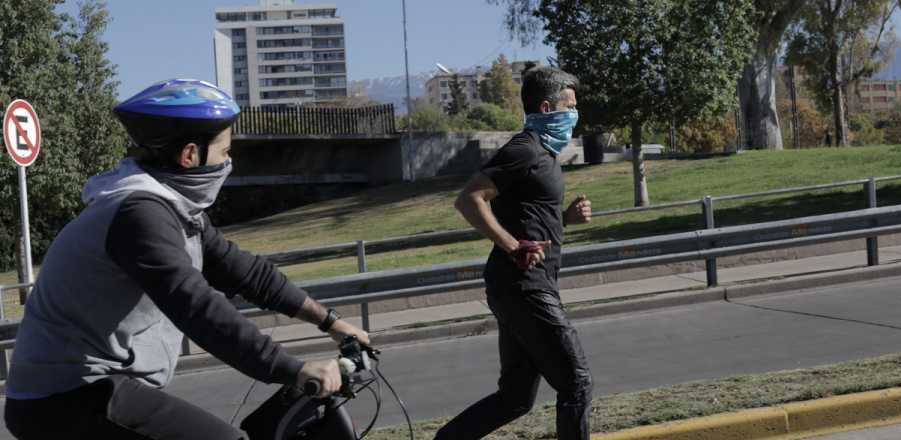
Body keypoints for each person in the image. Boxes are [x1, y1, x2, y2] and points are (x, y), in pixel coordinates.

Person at [4, 79, 368, 440]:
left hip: (96, 388)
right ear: (190, 155)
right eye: (225, 151)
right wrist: (293, 369)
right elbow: (196, 305)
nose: (229, 161)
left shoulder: (175, 211)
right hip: (63, 397)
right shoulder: (139, 213)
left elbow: (244, 272)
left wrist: (332, 323)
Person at [435, 67, 594, 440]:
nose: (575, 113)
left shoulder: (544, 155)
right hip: (525, 287)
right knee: (577, 382)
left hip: (521, 286)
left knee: (516, 397)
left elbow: (528, 220)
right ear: (546, 107)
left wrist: (564, 219)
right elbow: (469, 199)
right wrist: (512, 246)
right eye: (569, 106)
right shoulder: (523, 149)